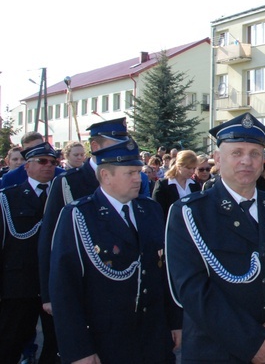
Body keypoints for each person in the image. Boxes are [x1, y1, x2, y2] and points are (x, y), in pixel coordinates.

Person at [166, 112, 265, 364]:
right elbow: (191, 290)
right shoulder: (190, 213)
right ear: (217, 159)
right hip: (217, 351)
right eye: (237, 153)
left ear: (262, 161)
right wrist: (252, 341)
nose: (246, 161)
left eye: (255, 153)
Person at [49, 139, 182, 363]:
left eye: (138, 172)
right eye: (129, 173)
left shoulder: (149, 210)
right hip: (105, 340)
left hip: (153, 336)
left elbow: (164, 272)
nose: (137, 178)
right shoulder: (79, 215)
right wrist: (79, 349)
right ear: (105, 176)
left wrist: (175, 322)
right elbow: (65, 288)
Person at [39, 117, 149, 314]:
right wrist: (49, 294)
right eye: (117, 143)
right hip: (84, 283)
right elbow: (50, 238)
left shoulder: (131, 174)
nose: (124, 148)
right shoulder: (70, 181)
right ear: (96, 146)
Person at [0, 142, 59, 364]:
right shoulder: (9, 197)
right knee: (10, 342)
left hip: (52, 283)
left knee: (55, 344)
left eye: (53, 162)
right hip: (19, 285)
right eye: (42, 161)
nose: (48, 166)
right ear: (27, 166)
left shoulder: (62, 196)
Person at [0, 132, 65, 189]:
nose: (35, 151)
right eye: (29, 149)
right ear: (23, 150)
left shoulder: (61, 175)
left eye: (38, 147)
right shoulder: (11, 178)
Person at [152, 149, 201, 221]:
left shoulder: (195, 185)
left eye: (194, 168)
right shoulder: (163, 185)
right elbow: (157, 212)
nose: (192, 171)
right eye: (188, 168)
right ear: (179, 166)